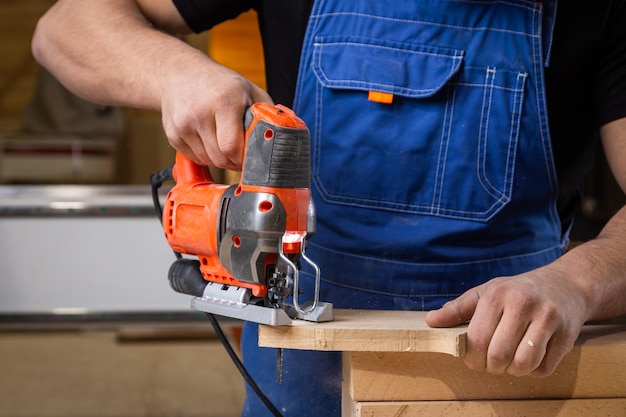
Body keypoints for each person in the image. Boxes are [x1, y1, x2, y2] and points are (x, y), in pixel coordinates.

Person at [32, 1, 626, 416]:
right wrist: (174, 71)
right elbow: (63, 26)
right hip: (304, 362)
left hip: (514, 364)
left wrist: (578, 282)